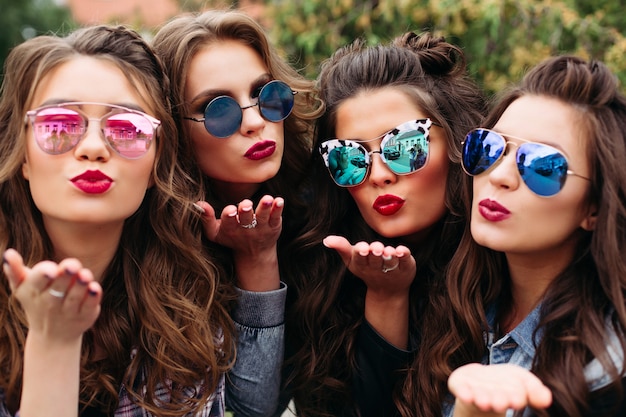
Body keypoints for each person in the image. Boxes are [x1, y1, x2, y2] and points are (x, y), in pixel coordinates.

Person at [0, 24, 239, 417]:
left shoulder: (190, 319)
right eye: (59, 124)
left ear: (155, 164)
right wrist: (53, 342)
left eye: (127, 128)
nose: (93, 148)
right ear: (23, 155)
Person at [275, 32, 486, 417]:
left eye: (404, 146)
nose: (379, 174)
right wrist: (386, 295)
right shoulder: (323, 277)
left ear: (456, 143)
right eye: (349, 156)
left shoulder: (499, 263)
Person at [424, 55, 626, 417]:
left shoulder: (607, 374)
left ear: (593, 208)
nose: (499, 175)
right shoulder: (455, 304)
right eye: (489, 148)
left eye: (541, 165)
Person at [151, 10, 322, 416]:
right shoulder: (151, 236)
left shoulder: (317, 212)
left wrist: (258, 254)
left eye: (267, 96)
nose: (256, 121)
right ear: (173, 129)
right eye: (219, 110)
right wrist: (256, 259)